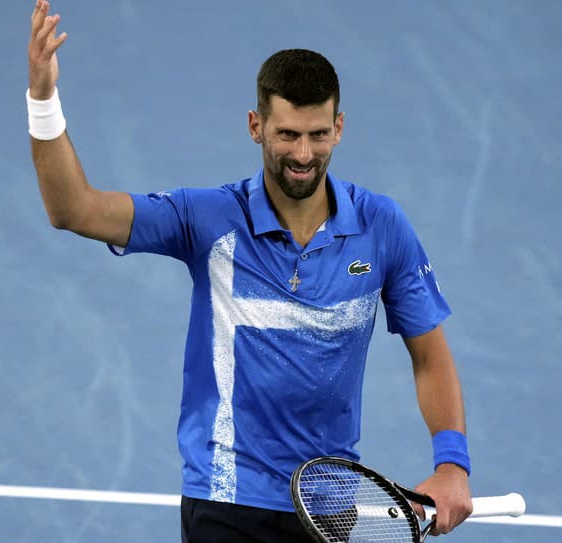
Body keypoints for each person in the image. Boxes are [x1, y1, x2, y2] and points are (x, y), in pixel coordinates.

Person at [27, 1, 473, 540]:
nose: (303, 154)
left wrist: (452, 463)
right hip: (226, 496)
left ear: (339, 128)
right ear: (255, 126)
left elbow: (429, 355)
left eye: (316, 134)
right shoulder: (208, 218)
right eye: (286, 135)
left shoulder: (382, 227)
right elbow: (73, 209)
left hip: (330, 501)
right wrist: (43, 99)